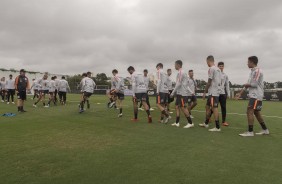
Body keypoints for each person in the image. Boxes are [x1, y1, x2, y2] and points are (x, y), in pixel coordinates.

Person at [235, 56, 269, 137]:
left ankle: (250, 132)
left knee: (249, 111)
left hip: (256, 95)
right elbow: (248, 84)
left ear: (252, 62)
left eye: (248, 62)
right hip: (254, 95)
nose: (247, 63)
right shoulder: (252, 71)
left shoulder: (257, 71)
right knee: (256, 112)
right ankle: (265, 130)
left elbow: (254, 84)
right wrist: (240, 93)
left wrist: (247, 84)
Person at [199, 55, 222, 132]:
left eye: (207, 62)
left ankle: (217, 127)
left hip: (213, 92)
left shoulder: (211, 69)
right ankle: (206, 123)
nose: (207, 63)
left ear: (209, 61)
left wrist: (205, 92)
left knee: (214, 108)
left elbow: (209, 82)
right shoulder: (218, 69)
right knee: (207, 106)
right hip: (215, 91)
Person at [170, 60, 194, 128]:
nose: (174, 66)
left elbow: (179, 83)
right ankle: (177, 122)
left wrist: (172, 92)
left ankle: (190, 123)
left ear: (178, 65)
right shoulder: (181, 72)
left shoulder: (181, 72)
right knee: (177, 106)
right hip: (179, 93)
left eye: (175, 64)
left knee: (183, 107)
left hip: (182, 94)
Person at [218, 62, 230, 126]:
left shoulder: (225, 75)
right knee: (213, 107)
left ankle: (223, 121)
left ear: (223, 67)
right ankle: (208, 119)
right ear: (218, 67)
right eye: (220, 66)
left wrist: (228, 93)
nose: (221, 67)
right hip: (216, 93)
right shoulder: (215, 74)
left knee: (223, 108)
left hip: (222, 94)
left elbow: (227, 85)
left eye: (222, 66)